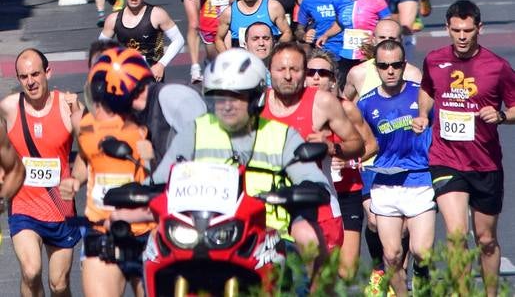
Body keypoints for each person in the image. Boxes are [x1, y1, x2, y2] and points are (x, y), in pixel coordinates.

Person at [153, 49, 332, 259]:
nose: (227, 105)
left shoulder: (282, 135)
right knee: (152, 245)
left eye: (236, 96)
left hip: (268, 237)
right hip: (202, 232)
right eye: (219, 96)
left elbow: (314, 181)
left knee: (308, 235)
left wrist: (303, 191)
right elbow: (159, 181)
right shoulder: (195, 131)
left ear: (255, 99)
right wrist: (136, 191)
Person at [412, 0, 515, 297]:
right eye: (456, 30)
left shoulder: (497, 67)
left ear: (479, 29)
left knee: (485, 239)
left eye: (468, 30)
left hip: (485, 163)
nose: (461, 36)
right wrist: (422, 114)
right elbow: (427, 90)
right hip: (446, 159)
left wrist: (500, 116)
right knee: (457, 235)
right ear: (447, 28)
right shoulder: (434, 60)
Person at [61, 47, 156, 297]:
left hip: (145, 232)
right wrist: (75, 180)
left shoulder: (148, 122)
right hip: (103, 230)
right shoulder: (85, 125)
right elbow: (86, 160)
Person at [263, 41, 365, 252]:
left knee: (321, 281)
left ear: (303, 72)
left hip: (317, 204)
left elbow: (357, 144)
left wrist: (331, 147)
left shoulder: (323, 102)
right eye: (281, 69)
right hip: (268, 204)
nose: (288, 76)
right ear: (269, 71)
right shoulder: (257, 103)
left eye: (295, 69)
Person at [0, 48, 82, 297]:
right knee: (31, 271)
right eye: (24, 77)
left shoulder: (67, 106)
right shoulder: (9, 107)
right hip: (24, 207)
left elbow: (89, 154)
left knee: (59, 285)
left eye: (35, 74)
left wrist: (77, 178)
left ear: (48, 72)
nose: (30, 82)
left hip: (60, 208)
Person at [359, 39, 435, 296]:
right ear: (375, 67)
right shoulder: (366, 103)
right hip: (385, 183)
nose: (390, 70)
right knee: (391, 256)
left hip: (419, 179)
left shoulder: (421, 94)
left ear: (404, 65)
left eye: (395, 65)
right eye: (383, 65)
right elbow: (365, 143)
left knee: (421, 251)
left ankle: (422, 274)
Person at [305, 49, 377, 282]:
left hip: (346, 192)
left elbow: (371, 145)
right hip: (310, 194)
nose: (316, 77)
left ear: (333, 80)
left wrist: (350, 159)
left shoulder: (346, 109)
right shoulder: (295, 109)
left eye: (322, 73)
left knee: (346, 272)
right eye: (310, 72)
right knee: (312, 266)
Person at [317, 0, 391, 85]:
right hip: (346, 55)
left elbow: (389, 24)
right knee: (345, 91)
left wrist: (376, 38)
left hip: (369, 55)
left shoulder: (376, 0)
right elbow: (340, 23)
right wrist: (326, 35)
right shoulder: (338, 1)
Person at [100, 0, 184, 82]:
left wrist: (161, 65)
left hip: (151, 74)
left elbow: (178, 40)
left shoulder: (157, 14)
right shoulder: (113, 19)